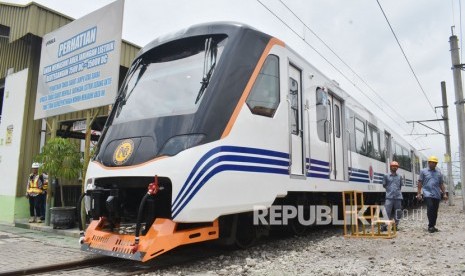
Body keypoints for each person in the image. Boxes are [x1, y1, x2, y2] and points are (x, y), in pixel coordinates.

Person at [417, 155, 447, 233]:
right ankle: (430, 226)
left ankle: (433, 225)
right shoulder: (423, 171)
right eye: (432, 162)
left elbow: (441, 184)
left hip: (437, 194)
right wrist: (419, 193)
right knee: (430, 208)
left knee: (435, 211)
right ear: (428, 163)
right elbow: (420, 182)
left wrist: (444, 194)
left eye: (435, 163)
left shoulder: (439, 173)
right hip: (427, 193)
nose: (433, 164)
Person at [382, 161, 403, 231]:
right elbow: (384, 185)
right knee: (387, 212)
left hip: (398, 197)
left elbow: (400, 186)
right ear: (390, 167)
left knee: (398, 212)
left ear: (397, 168)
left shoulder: (400, 177)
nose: (395, 167)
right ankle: (384, 226)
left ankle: (395, 226)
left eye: (396, 166)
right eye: (393, 166)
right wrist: (390, 190)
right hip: (389, 197)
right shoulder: (386, 176)